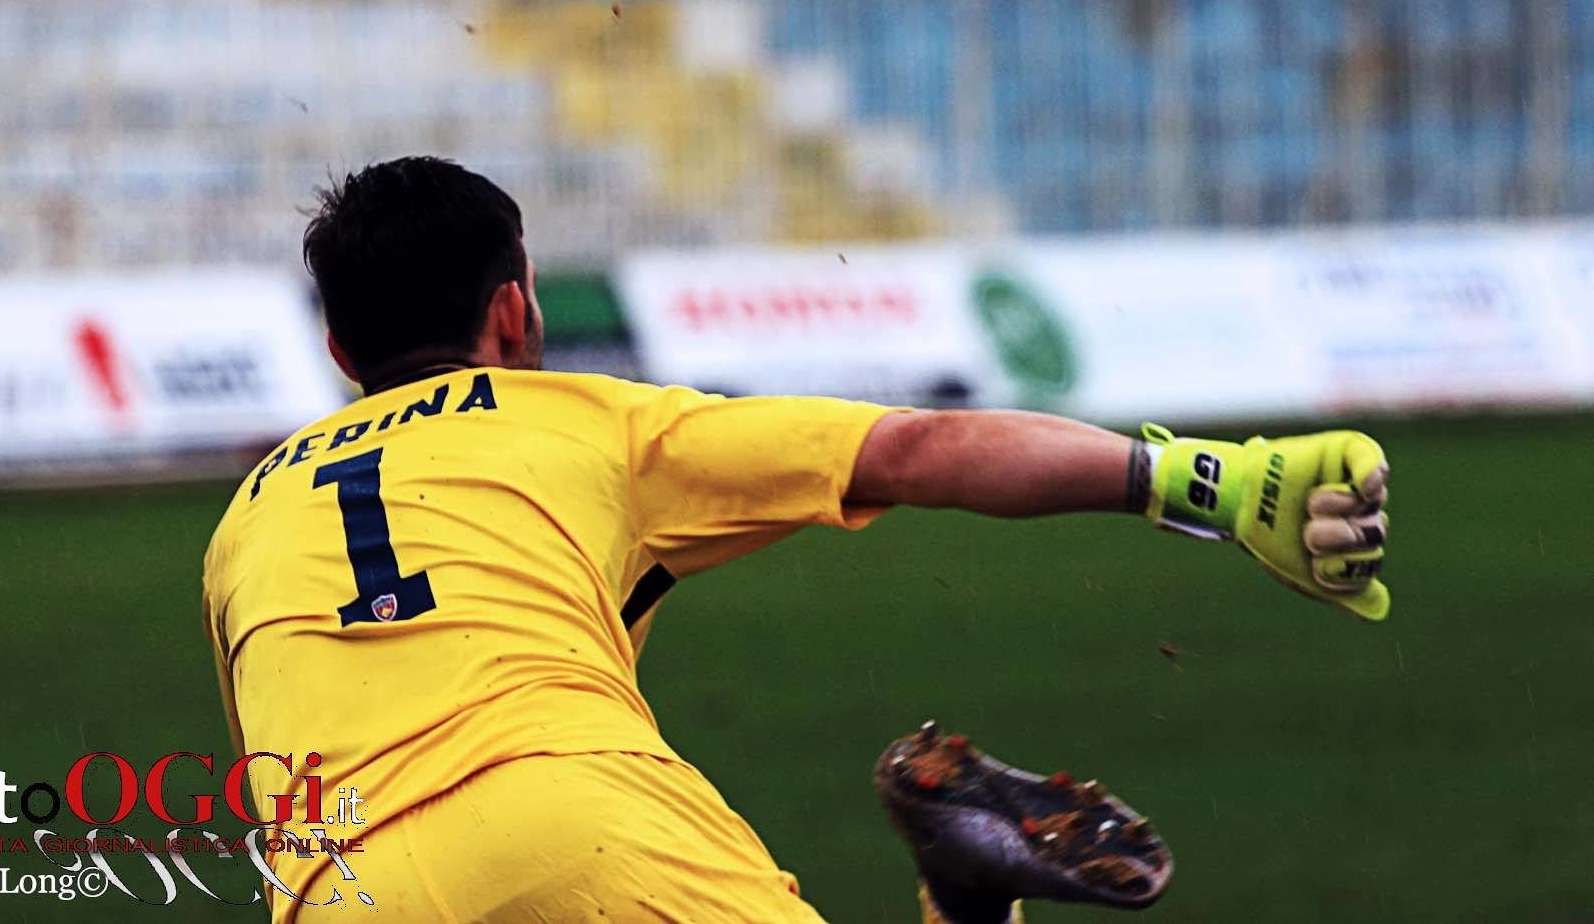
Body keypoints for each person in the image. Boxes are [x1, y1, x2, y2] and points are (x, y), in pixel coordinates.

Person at [202, 156, 1391, 923]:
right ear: (513, 311)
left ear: (341, 353)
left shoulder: (244, 520)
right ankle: (963, 886)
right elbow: (921, 448)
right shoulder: (589, 418)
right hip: (568, 814)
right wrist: (1211, 482)